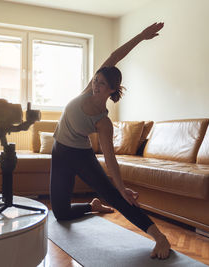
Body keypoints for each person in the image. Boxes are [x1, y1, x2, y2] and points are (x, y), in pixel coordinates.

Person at [50, 22, 171, 260]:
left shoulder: (103, 123)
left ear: (111, 90)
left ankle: (160, 237)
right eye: (96, 80)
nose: (96, 84)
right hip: (59, 151)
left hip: (80, 156)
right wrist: (141, 36)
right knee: (61, 214)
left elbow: (110, 159)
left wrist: (121, 186)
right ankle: (92, 206)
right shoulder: (87, 91)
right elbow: (116, 56)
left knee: (116, 196)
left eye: (102, 83)